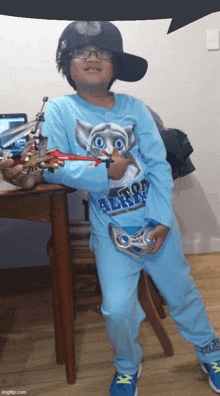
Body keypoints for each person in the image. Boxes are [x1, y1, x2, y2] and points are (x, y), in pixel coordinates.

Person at [1, 21, 220, 395]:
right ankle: (125, 366)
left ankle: (210, 350)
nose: (91, 58)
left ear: (116, 65)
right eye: (80, 53)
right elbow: (56, 164)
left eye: (102, 53)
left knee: (181, 290)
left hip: (157, 224)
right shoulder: (59, 112)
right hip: (110, 231)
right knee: (116, 309)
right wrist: (103, 172)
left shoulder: (137, 109)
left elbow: (157, 167)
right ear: (65, 65)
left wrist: (162, 220)